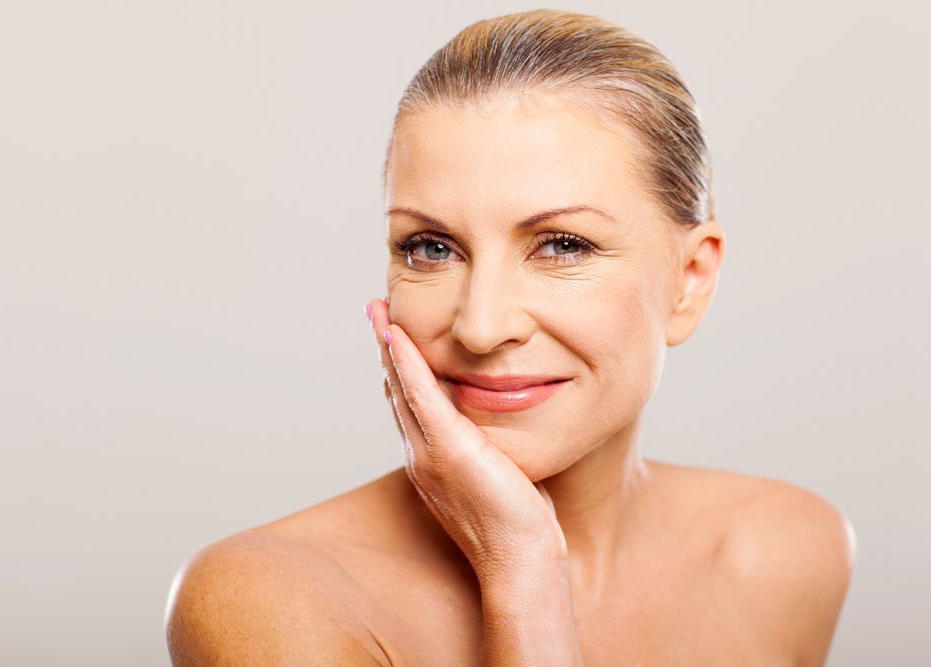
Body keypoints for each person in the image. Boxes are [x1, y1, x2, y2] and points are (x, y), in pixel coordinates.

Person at [164, 9, 856, 665]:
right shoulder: (268, 596)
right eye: (432, 247)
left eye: (562, 244)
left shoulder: (787, 550)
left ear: (691, 279)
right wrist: (521, 568)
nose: (481, 325)